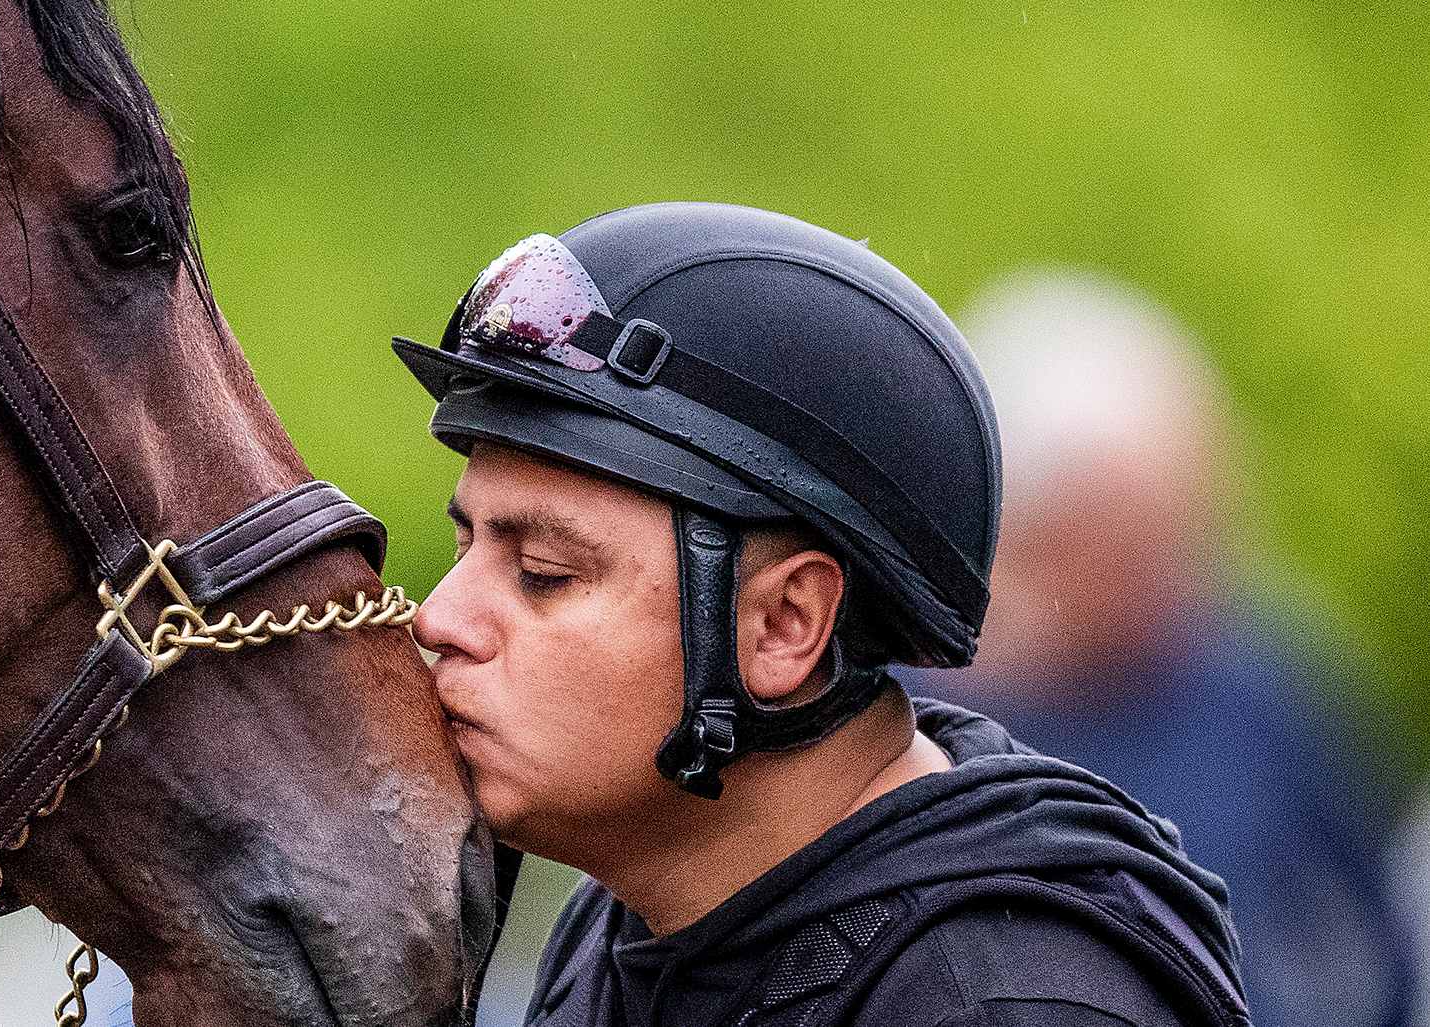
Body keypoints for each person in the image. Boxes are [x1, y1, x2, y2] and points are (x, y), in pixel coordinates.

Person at [389, 202, 1247, 1026]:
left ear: (784, 624)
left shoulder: (998, 1003)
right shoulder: (630, 923)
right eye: (467, 546)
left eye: (543, 572)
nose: (438, 618)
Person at [900, 270, 1415, 1027]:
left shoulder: (1257, 679)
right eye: (1133, 542)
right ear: (1023, 534)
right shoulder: (902, 720)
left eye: (1192, 527)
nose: (1180, 576)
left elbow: (1377, 923)